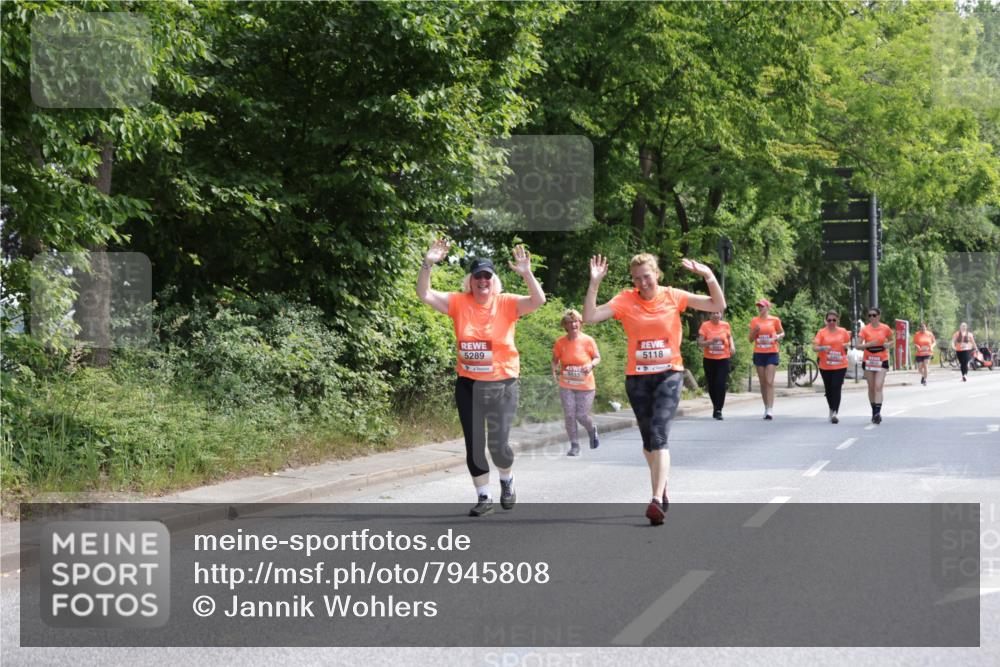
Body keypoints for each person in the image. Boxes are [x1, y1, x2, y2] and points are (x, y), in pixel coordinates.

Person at [584, 253, 725, 526]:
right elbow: (589, 317)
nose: (642, 283)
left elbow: (717, 303)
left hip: (669, 374)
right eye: (636, 278)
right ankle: (663, 483)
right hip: (637, 378)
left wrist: (708, 276)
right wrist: (594, 283)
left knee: (659, 433)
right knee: (649, 441)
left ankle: (656, 499)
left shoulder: (673, 296)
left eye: (646, 276)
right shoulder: (625, 299)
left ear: (657, 274)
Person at [416, 238, 545, 516]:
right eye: (478, 277)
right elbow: (424, 294)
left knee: (499, 446)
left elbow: (538, 300)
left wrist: (526, 273)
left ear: (494, 281)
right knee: (474, 444)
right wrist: (428, 263)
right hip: (469, 385)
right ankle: (483, 496)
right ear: (470, 282)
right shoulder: (458, 303)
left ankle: (507, 480)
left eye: (487, 276)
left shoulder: (507, 303)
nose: (482, 281)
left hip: (503, 384)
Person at [551, 309, 601, 456]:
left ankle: (592, 430)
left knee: (582, 415)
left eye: (576, 321)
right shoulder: (560, 342)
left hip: (585, 384)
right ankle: (574, 445)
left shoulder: (588, 340)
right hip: (566, 383)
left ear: (580, 323)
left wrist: (590, 365)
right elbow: (555, 361)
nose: (573, 324)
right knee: (569, 415)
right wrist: (554, 370)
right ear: (565, 325)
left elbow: (597, 357)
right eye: (569, 322)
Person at [812, 310, 852, 424]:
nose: (831, 322)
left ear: (837, 320)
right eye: (829, 320)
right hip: (825, 365)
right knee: (829, 390)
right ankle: (831, 408)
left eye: (834, 320)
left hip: (840, 364)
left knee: (836, 387)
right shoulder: (821, 332)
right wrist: (822, 348)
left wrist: (846, 345)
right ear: (826, 321)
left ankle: (835, 412)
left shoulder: (843, 331)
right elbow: (815, 347)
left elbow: (849, 343)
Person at [857, 307, 894, 424]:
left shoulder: (885, 328)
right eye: (870, 315)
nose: (872, 317)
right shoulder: (864, 329)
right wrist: (868, 344)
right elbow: (858, 346)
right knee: (871, 387)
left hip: (881, 359)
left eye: (874, 315)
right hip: (868, 360)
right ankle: (874, 411)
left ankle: (877, 413)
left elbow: (892, 340)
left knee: (878, 386)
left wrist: (888, 344)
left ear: (879, 316)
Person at [749, 299, 784, 420]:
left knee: (769, 381)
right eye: (759, 306)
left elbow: (782, 333)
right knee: (763, 383)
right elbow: (750, 339)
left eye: (762, 306)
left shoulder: (774, 320)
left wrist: (778, 336)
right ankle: (766, 407)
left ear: (767, 308)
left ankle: (770, 409)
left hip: (772, 353)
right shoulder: (754, 321)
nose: (760, 308)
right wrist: (755, 331)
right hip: (759, 353)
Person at [697, 310, 735, 420]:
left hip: (723, 359)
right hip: (709, 359)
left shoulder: (725, 325)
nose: (716, 315)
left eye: (718, 313)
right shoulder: (705, 326)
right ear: (710, 315)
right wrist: (710, 342)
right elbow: (700, 343)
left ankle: (719, 410)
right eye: (713, 313)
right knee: (712, 385)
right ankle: (715, 406)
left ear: (721, 315)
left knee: (720, 383)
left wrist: (732, 346)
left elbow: (729, 336)